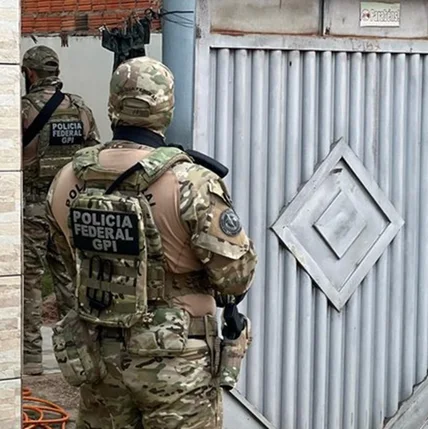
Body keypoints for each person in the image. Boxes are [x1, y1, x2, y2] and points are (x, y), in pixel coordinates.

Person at [46, 56, 256, 428]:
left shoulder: (67, 179)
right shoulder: (190, 182)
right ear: (166, 109)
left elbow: (69, 261)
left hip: (98, 356)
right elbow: (235, 276)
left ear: (112, 107)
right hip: (176, 365)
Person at [22, 45, 100, 376]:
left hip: (33, 205)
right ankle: (79, 355)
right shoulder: (80, 107)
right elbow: (93, 155)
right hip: (67, 207)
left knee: (30, 279)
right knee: (69, 276)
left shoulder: (22, 108)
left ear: (30, 73)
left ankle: (31, 357)